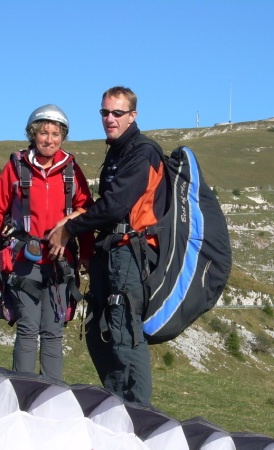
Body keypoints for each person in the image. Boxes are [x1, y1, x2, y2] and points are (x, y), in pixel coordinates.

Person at [47, 86, 167, 404]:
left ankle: (138, 415)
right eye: (104, 112)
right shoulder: (117, 151)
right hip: (110, 250)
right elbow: (107, 205)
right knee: (101, 332)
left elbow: (115, 206)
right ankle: (117, 406)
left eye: (117, 113)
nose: (109, 119)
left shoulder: (143, 152)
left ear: (132, 115)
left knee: (124, 332)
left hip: (130, 252)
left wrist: (70, 229)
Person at [0, 104, 94, 380]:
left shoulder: (71, 170)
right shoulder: (17, 167)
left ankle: (51, 395)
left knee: (53, 332)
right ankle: (23, 393)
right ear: (33, 134)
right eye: (43, 133)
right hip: (23, 261)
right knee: (28, 328)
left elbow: (86, 212)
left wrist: (87, 253)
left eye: (55, 134)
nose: (49, 140)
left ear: (63, 136)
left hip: (60, 263)